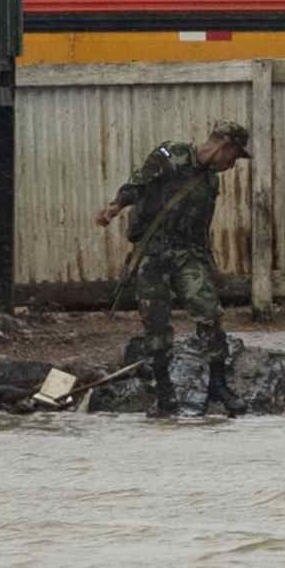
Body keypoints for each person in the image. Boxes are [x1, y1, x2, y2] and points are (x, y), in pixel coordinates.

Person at [94, 119, 249, 415]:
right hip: (152, 252)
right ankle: (164, 394)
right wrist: (115, 207)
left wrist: (211, 266)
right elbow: (138, 183)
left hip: (188, 254)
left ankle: (218, 385)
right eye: (234, 157)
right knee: (156, 323)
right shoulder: (171, 154)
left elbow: (201, 228)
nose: (232, 165)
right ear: (223, 146)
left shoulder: (210, 182)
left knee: (209, 312)